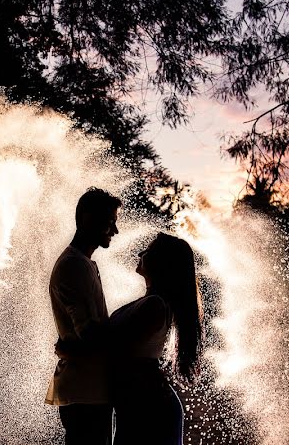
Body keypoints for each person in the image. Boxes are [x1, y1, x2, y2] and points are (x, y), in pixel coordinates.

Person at [108, 232, 203, 445]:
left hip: (149, 408)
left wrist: (73, 350)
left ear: (161, 262)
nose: (141, 253)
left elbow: (116, 349)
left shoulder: (155, 305)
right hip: (139, 405)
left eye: (148, 251)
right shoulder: (150, 302)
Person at [45, 187, 122, 445]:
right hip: (85, 391)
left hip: (90, 388)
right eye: (111, 222)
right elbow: (89, 334)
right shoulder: (74, 265)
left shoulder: (82, 263)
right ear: (89, 219)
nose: (115, 230)